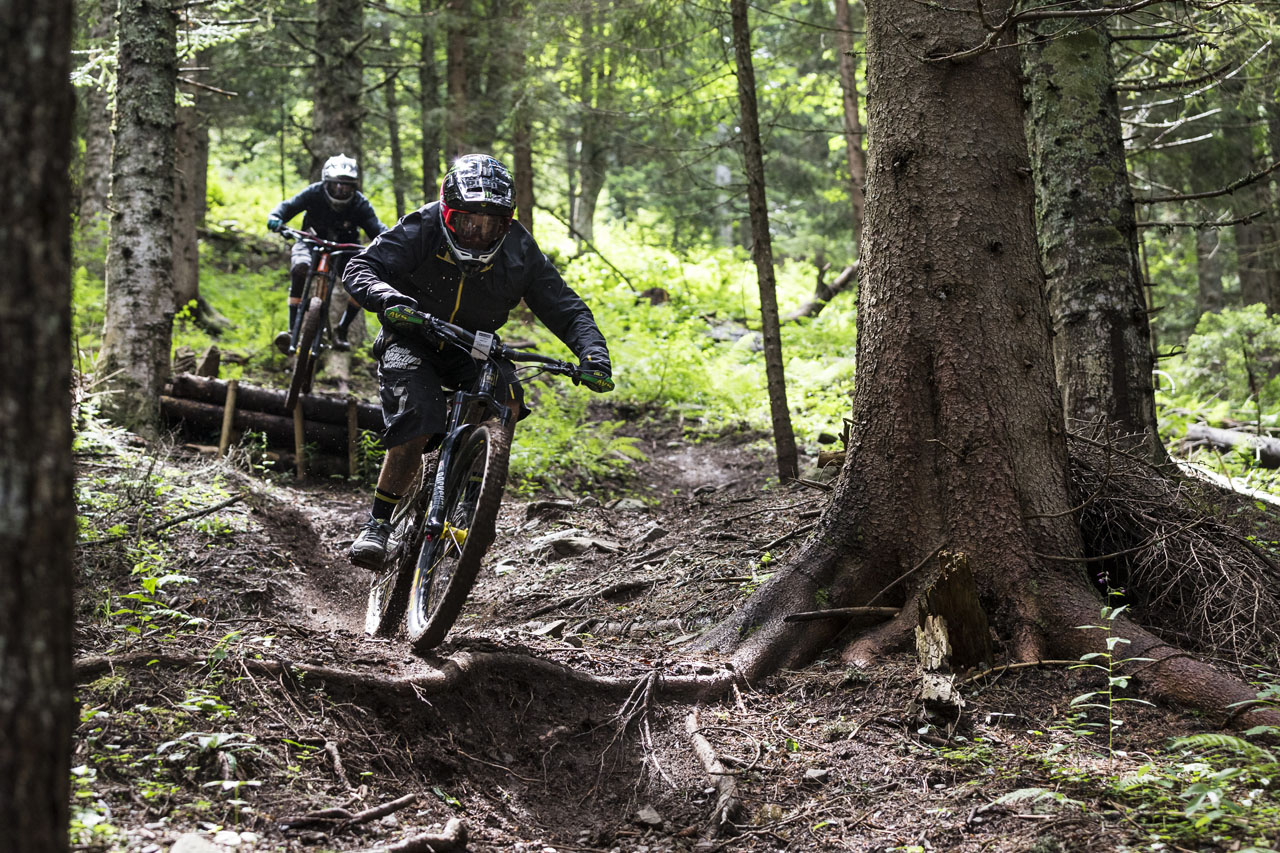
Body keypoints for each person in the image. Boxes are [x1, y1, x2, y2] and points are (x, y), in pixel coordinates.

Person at [341, 153, 613, 568]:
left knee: (508, 398)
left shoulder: (520, 249)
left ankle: (473, 500)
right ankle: (378, 523)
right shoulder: (422, 226)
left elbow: (566, 307)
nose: (478, 234)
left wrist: (592, 353)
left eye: (491, 225)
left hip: (475, 345)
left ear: (506, 223)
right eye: (467, 222)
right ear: (447, 213)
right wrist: (389, 299)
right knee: (418, 418)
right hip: (412, 335)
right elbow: (361, 267)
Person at [266, 154, 388, 352]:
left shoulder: (360, 203)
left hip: (345, 249)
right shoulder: (314, 193)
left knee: (363, 280)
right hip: (310, 242)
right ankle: (292, 330)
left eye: (346, 185)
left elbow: (377, 228)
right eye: (335, 184)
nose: (340, 189)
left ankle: (342, 330)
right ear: (326, 183)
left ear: (354, 187)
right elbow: (288, 207)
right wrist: (275, 216)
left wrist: (390, 241)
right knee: (300, 268)